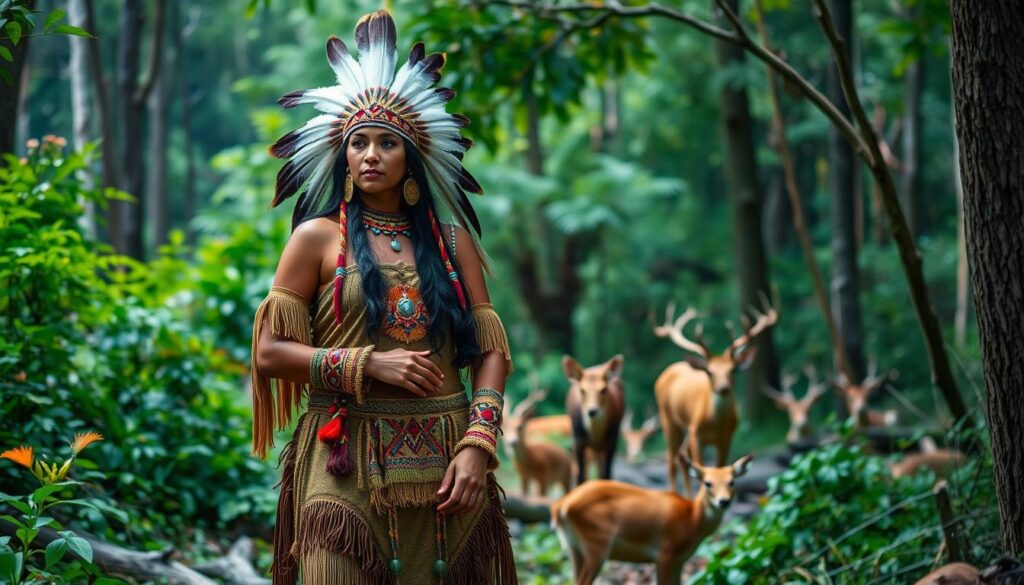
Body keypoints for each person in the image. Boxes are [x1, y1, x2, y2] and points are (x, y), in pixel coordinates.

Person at [249, 10, 517, 584]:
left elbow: (490, 349)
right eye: (359, 143)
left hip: (451, 458)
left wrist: (480, 442)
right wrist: (368, 363)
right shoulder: (316, 239)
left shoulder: (452, 242)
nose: (371, 154)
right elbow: (270, 351)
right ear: (343, 158)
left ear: (411, 160)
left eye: (387, 143)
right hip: (343, 456)